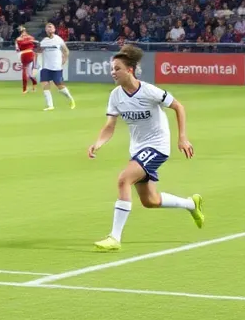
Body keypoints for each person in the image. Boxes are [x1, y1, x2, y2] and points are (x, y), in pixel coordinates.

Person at [87, 45, 204, 252]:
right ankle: (191, 204)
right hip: (138, 149)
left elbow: (179, 106)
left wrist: (182, 138)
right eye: (112, 69)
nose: (112, 72)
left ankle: (114, 238)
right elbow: (109, 127)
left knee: (124, 179)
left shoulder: (149, 91)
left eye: (117, 68)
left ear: (129, 70)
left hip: (158, 146)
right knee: (150, 200)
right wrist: (97, 143)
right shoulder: (115, 96)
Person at [37, 22, 75, 110]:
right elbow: (39, 51)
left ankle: (70, 99)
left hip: (56, 67)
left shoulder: (58, 39)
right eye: (48, 27)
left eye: (51, 27)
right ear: (46, 30)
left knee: (60, 87)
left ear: (54, 29)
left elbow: (66, 50)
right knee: (45, 85)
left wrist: (64, 59)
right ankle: (50, 106)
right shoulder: (44, 41)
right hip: (46, 67)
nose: (49, 28)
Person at [15, 26, 38, 94]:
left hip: (24, 54)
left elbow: (17, 49)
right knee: (30, 73)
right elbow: (35, 45)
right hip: (31, 53)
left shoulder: (18, 39)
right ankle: (34, 85)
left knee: (24, 71)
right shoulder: (31, 37)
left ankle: (24, 89)